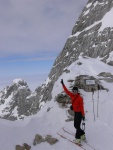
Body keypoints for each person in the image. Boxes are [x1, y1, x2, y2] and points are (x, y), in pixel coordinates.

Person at [61, 79, 86, 144]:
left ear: (77, 91)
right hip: (76, 113)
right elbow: (66, 91)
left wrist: (83, 115)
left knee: (77, 126)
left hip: (80, 113)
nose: (74, 92)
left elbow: (82, 107)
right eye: (73, 91)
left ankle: (78, 139)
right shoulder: (72, 95)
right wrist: (63, 84)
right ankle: (82, 135)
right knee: (75, 126)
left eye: (75, 91)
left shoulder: (80, 98)